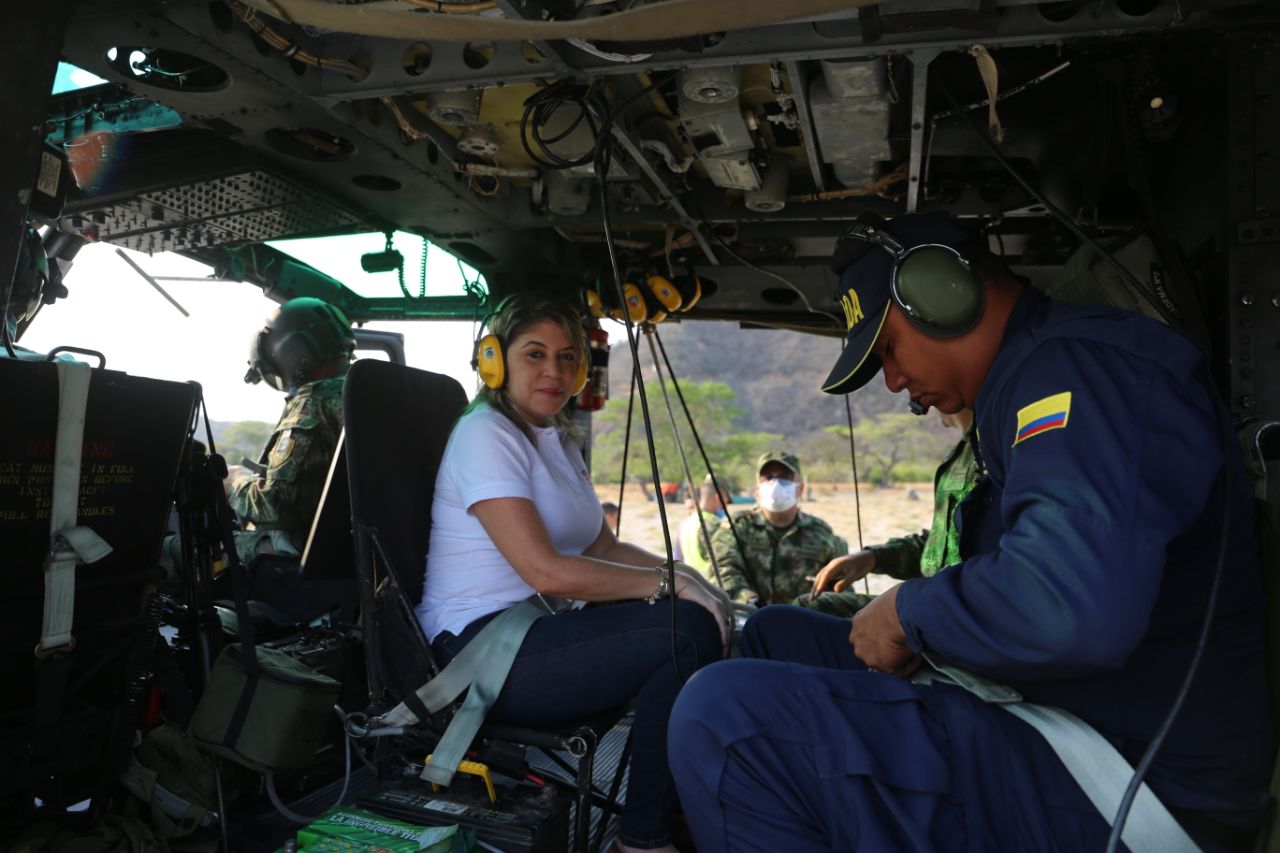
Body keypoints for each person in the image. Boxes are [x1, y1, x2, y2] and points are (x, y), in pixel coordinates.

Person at [668, 213, 1272, 852]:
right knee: (774, 630)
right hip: (1050, 713)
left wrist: (909, 611)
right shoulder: (1026, 381)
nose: (895, 382)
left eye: (889, 350)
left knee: (723, 718)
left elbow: (1067, 607)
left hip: (1128, 778)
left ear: (941, 293)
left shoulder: (1079, 371)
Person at [413, 293, 733, 853]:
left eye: (567, 358)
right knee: (685, 632)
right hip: (481, 652)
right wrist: (670, 587)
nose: (553, 371)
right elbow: (546, 571)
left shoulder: (556, 438)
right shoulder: (486, 433)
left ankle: (658, 815)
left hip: (537, 636)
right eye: (534, 354)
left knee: (694, 626)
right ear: (495, 360)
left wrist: (687, 575)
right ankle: (644, 839)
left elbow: (602, 545)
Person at [797, 408, 979, 617]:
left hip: (954, 615)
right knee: (804, 610)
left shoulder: (993, 448)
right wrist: (872, 557)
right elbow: (942, 546)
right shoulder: (965, 451)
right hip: (934, 605)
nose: (900, 386)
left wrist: (906, 598)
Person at [225, 297, 354, 561]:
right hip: (353, 555)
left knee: (177, 551)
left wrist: (234, 483)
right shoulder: (363, 392)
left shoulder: (314, 401)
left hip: (305, 559)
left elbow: (277, 504)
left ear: (294, 353)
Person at [709, 451, 847, 605]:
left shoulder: (821, 534)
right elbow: (721, 571)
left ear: (800, 489)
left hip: (804, 623)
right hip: (748, 621)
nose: (776, 484)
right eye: (768, 478)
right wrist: (748, 599)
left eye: (784, 478)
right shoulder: (736, 528)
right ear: (757, 491)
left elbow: (840, 588)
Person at [676, 477, 730, 583]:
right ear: (718, 497)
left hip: (692, 583)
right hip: (710, 584)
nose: (727, 501)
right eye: (725, 499)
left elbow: (678, 557)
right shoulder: (713, 523)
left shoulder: (685, 523)